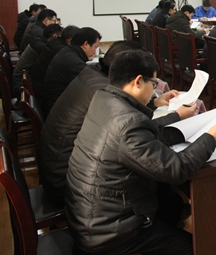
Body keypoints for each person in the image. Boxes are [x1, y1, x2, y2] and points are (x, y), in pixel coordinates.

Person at [65, 50, 216, 255]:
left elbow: (148, 129)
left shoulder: (104, 100)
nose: (153, 92)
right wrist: (210, 138)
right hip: (108, 232)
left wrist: (176, 116)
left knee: (170, 202)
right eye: (153, 84)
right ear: (138, 81)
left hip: (91, 213)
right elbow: (175, 169)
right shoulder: (129, 124)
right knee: (199, 247)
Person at [40, 40, 198, 205]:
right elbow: (137, 130)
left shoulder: (93, 75)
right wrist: (178, 117)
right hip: (69, 183)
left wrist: (155, 103)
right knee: (156, 175)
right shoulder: (102, 92)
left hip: (64, 169)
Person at [43, 27, 102, 115]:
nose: (95, 51)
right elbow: (94, 84)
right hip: (60, 111)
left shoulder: (68, 51)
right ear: (86, 44)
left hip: (54, 103)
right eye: (95, 47)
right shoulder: (74, 63)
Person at [29, 25, 80, 99]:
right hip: (44, 91)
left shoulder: (55, 42)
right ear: (70, 40)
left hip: (39, 83)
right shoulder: (62, 50)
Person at [12, 24, 63, 92]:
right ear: (55, 36)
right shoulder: (42, 47)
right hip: (20, 82)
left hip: (22, 77)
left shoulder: (39, 40)